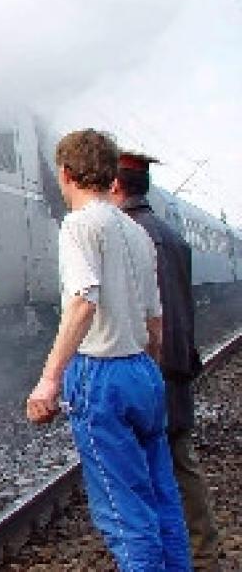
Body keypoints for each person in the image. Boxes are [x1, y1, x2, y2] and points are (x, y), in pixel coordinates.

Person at [27, 129, 191, 571]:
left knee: (123, 513)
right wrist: (148, 369)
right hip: (142, 369)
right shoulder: (136, 232)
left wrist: (50, 378)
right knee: (161, 497)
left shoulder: (80, 225)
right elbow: (155, 320)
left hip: (103, 372)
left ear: (65, 173)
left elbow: (83, 299)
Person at [109, 150, 220, 570]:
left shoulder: (134, 236)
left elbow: (156, 312)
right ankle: (198, 544)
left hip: (155, 364)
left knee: (171, 458)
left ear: (117, 186)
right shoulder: (166, 233)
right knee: (176, 456)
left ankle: (198, 547)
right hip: (173, 361)